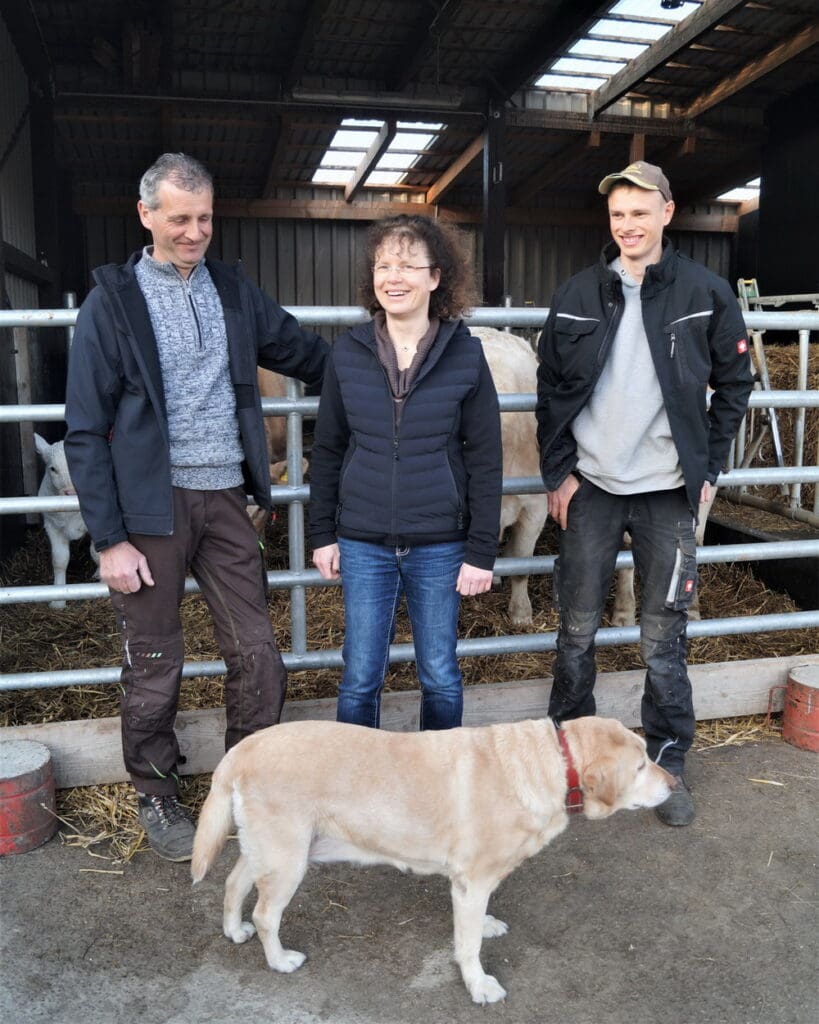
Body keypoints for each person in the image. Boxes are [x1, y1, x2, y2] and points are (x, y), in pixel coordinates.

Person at [64, 153, 329, 861]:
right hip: (147, 513)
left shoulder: (233, 291)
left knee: (258, 653)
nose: (194, 232)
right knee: (155, 659)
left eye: (204, 217)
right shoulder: (112, 302)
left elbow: (304, 351)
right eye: (179, 218)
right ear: (146, 214)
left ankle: (250, 783)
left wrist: (388, 367)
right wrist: (107, 539)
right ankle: (155, 793)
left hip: (226, 501)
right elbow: (85, 428)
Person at [536, 161, 753, 826]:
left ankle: (665, 765)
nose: (626, 225)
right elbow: (548, 391)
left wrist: (708, 465)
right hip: (593, 487)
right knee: (575, 631)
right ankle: (567, 765)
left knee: (663, 638)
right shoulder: (578, 292)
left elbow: (735, 383)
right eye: (617, 215)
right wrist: (559, 473)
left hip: (666, 493)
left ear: (666, 211)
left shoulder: (704, 291)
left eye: (638, 212)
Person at [309, 214, 503, 731]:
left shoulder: (466, 353)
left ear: (436, 277)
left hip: (439, 542)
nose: (393, 277)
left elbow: (485, 457)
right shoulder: (347, 352)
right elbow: (327, 448)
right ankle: (361, 791)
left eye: (408, 265)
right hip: (362, 541)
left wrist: (481, 550)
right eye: (383, 265)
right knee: (359, 674)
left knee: (439, 672)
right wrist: (322, 534)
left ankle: (438, 791)